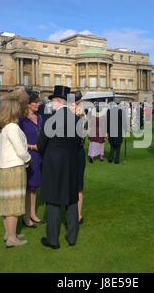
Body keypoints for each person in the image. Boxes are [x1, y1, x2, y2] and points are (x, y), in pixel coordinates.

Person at [37, 85, 80, 249]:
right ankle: (72, 237)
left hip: (54, 163)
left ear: (57, 101)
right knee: (71, 199)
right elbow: (78, 143)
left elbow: (41, 145)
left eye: (53, 100)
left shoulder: (50, 119)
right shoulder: (76, 119)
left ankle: (53, 240)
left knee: (53, 201)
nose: (51, 103)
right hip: (71, 162)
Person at [0, 96, 31, 248]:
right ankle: (11, 237)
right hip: (14, 168)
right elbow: (20, 150)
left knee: (6, 203)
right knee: (13, 204)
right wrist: (29, 158)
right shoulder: (13, 128)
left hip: (4, 168)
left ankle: (9, 233)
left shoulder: (4, 127)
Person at [19, 92, 43, 228]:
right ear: (28, 104)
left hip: (39, 155)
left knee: (34, 188)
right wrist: (31, 146)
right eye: (35, 102)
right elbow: (18, 140)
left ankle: (33, 213)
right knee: (27, 187)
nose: (38, 104)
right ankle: (25, 216)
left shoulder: (39, 118)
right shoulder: (21, 120)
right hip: (28, 155)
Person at [70, 91, 87, 225]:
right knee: (71, 184)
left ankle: (78, 214)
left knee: (78, 186)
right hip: (68, 152)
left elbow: (83, 135)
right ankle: (73, 213)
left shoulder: (82, 115)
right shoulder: (65, 114)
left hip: (77, 151)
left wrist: (81, 118)